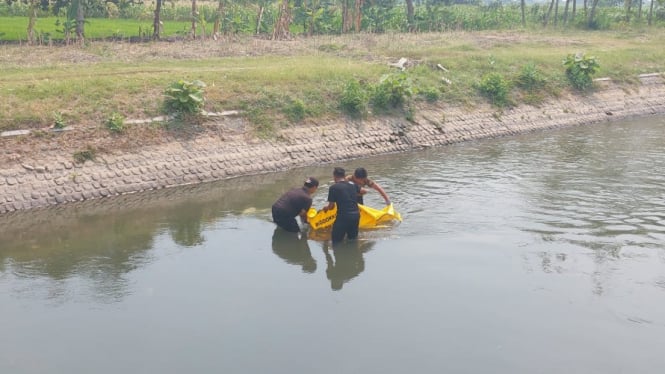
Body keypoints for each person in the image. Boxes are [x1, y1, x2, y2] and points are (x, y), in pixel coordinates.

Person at [322, 167, 360, 244]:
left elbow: (331, 206)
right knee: (352, 241)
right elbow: (361, 192)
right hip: (356, 216)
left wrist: (325, 208)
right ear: (344, 175)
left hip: (343, 217)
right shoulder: (353, 185)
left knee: (336, 241)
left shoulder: (333, 187)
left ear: (334, 176)